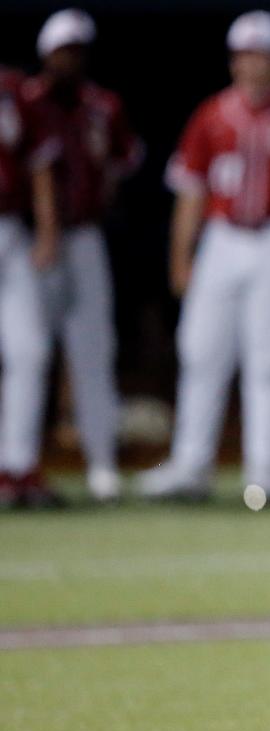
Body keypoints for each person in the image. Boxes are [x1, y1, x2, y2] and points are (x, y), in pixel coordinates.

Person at [138, 11, 270, 500]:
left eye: (260, 56)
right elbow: (191, 190)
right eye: (244, 55)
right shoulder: (213, 113)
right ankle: (191, 465)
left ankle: (262, 473)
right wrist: (182, 255)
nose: (251, 66)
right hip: (223, 238)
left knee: (268, 357)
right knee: (200, 350)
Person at [23, 8, 142, 502]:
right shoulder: (26, 103)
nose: (68, 59)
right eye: (61, 50)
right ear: (46, 54)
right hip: (28, 242)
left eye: (76, 50)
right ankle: (19, 464)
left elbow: (124, 160)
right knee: (27, 354)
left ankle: (101, 465)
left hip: (86, 237)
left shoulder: (103, 106)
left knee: (94, 351)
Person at [0, 65, 60, 506]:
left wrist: (47, 231)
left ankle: (16, 465)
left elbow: (39, 164)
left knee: (29, 348)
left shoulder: (14, 90)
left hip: (10, 230)